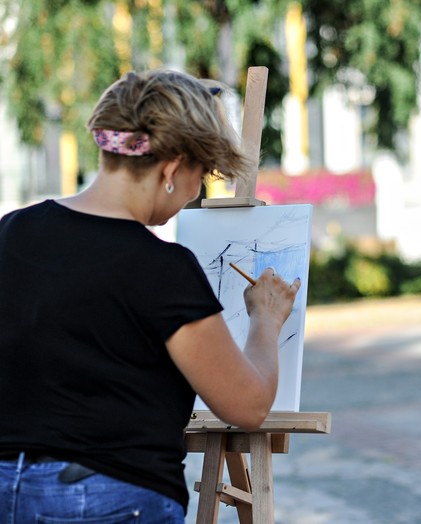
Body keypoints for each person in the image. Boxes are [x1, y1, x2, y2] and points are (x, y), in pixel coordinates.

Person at [0, 69, 301, 522]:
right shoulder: (161, 268)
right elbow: (248, 405)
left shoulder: (12, 232)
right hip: (109, 497)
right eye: (201, 176)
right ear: (173, 168)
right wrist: (266, 318)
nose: (195, 192)